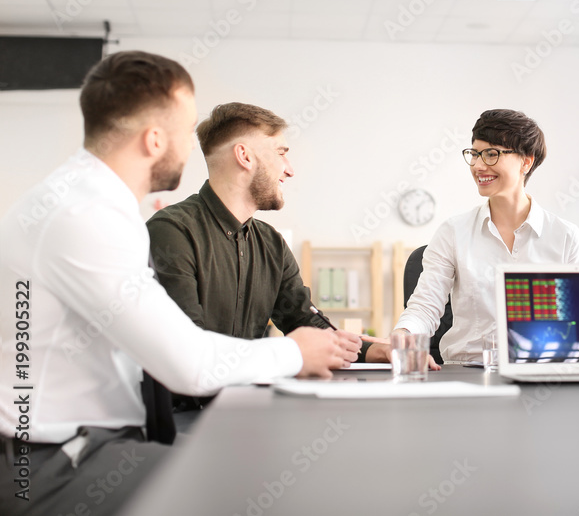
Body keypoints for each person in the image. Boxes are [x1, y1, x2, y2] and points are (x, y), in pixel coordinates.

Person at [0, 52, 354, 516]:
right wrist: (295, 352)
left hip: (85, 445)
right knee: (260, 486)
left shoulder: (86, 201)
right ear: (153, 140)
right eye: (187, 132)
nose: (193, 149)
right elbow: (188, 364)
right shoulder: (84, 216)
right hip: (50, 463)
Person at [147, 102, 366, 414]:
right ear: (244, 156)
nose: (289, 169)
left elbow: (302, 320)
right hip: (185, 421)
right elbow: (188, 349)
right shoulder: (171, 232)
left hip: (246, 412)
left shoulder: (271, 243)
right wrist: (291, 353)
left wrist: (374, 351)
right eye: (280, 153)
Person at [388, 109, 579, 363]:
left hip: (542, 373)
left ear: (526, 161)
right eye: (474, 154)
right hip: (467, 373)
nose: (478, 166)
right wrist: (404, 333)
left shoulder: (565, 236)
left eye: (492, 154)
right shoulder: (453, 231)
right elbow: (425, 307)